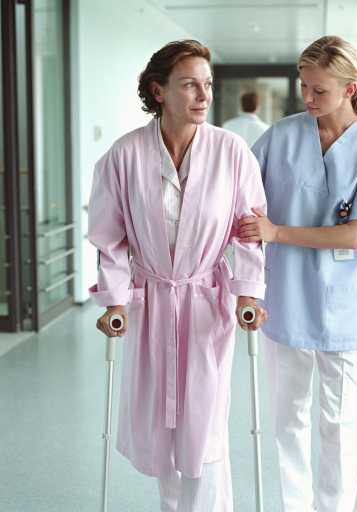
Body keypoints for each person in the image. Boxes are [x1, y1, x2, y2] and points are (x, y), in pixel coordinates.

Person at [88, 40, 268, 512]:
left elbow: (248, 231)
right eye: (189, 84)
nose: (203, 95)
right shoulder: (123, 156)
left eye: (207, 84)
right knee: (162, 426)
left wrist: (248, 293)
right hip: (151, 303)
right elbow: (110, 238)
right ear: (159, 91)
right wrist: (114, 301)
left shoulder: (232, 151)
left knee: (204, 426)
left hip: (207, 300)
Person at [239, 36, 357, 512]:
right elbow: (242, 202)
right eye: (304, 88)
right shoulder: (281, 136)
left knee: (340, 422)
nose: (308, 99)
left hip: (343, 306)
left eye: (320, 91)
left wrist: (277, 231)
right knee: (286, 418)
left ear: (350, 89)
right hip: (284, 298)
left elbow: (352, 236)